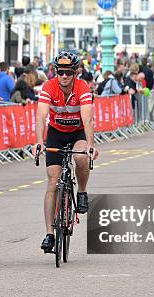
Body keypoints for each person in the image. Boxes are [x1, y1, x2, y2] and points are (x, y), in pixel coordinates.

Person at [35, 51, 98, 253]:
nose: (64, 76)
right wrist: (38, 141)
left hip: (77, 132)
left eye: (68, 72)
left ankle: (81, 192)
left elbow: (87, 119)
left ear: (75, 73)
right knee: (52, 182)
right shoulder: (48, 87)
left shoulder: (82, 88)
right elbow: (41, 116)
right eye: (60, 72)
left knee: (80, 157)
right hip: (55, 133)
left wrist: (90, 144)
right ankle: (49, 234)